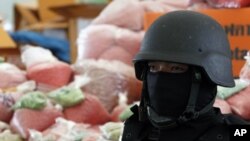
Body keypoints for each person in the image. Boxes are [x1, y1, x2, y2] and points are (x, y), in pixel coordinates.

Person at [121, 10, 248, 141]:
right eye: (153, 67)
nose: (159, 80)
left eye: (176, 68)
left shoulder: (237, 133)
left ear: (209, 76)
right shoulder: (136, 131)